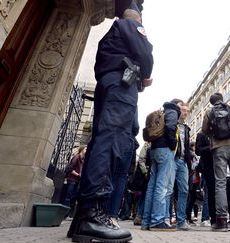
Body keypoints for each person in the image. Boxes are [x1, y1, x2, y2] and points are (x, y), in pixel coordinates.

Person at [68, 5, 154, 242]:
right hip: (122, 86)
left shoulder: (111, 34)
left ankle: (82, 217)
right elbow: (146, 55)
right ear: (137, 18)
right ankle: (93, 216)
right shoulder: (130, 25)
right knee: (111, 142)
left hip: (108, 84)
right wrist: (145, 76)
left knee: (100, 141)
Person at [201, 92, 230, 232]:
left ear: (211, 102)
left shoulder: (209, 111)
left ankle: (222, 221)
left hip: (218, 148)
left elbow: (204, 130)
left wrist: (214, 133)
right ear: (222, 99)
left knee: (220, 183)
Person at [142, 99, 181, 232]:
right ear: (177, 105)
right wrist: (173, 144)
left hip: (154, 150)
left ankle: (146, 221)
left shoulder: (163, 111)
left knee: (152, 187)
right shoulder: (173, 112)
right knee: (162, 186)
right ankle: (157, 221)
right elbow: (170, 128)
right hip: (165, 150)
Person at [165, 100, 192, 231]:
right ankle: (167, 218)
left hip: (183, 162)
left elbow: (187, 146)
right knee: (169, 189)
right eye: (183, 110)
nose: (185, 113)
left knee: (184, 190)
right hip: (172, 159)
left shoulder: (187, 128)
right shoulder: (172, 122)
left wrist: (189, 160)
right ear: (178, 110)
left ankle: (181, 220)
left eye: (187, 111)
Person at [195, 132, 216, 227]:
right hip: (207, 168)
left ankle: (215, 218)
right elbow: (198, 150)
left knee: (215, 193)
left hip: (218, 166)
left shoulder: (217, 133)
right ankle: (206, 218)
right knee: (208, 193)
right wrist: (211, 147)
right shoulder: (202, 135)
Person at [63, 145, 87, 217]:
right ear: (82, 149)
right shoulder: (76, 157)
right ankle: (64, 213)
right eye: (86, 148)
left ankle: (68, 213)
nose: (87, 150)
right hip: (72, 179)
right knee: (68, 196)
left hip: (76, 180)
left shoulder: (82, 159)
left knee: (73, 196)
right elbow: (70, 168)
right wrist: (78, 174)